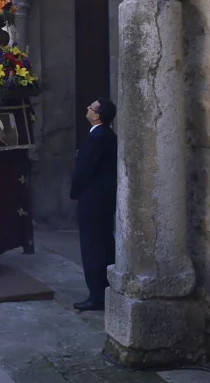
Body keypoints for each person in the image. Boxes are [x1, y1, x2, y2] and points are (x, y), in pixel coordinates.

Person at [70, 97, 118, 312]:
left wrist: (75, 192)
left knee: (92, 246)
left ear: (97, 115)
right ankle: (104, 289)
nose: (87, 109)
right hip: (103, 197)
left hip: (93, 198)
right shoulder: (107, 135)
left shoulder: (98, 137)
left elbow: (85, 169)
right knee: (104, 242)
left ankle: (97, 295)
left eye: (90, 107)